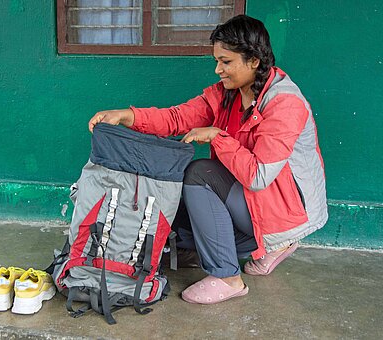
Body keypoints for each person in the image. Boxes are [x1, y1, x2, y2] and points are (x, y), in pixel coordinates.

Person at [88, 15, 327, 305]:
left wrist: (216, 137)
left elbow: (258, 175)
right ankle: (204, 252)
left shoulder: (284, 102)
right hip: (249, 204)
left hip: (282, 212)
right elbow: (177, 117)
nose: (218, 70)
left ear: (253, 60)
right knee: (178, 183)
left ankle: (229, 277)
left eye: (226, 62)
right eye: (216, 61)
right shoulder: (228, 93)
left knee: (200, 174)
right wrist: (127, 116)